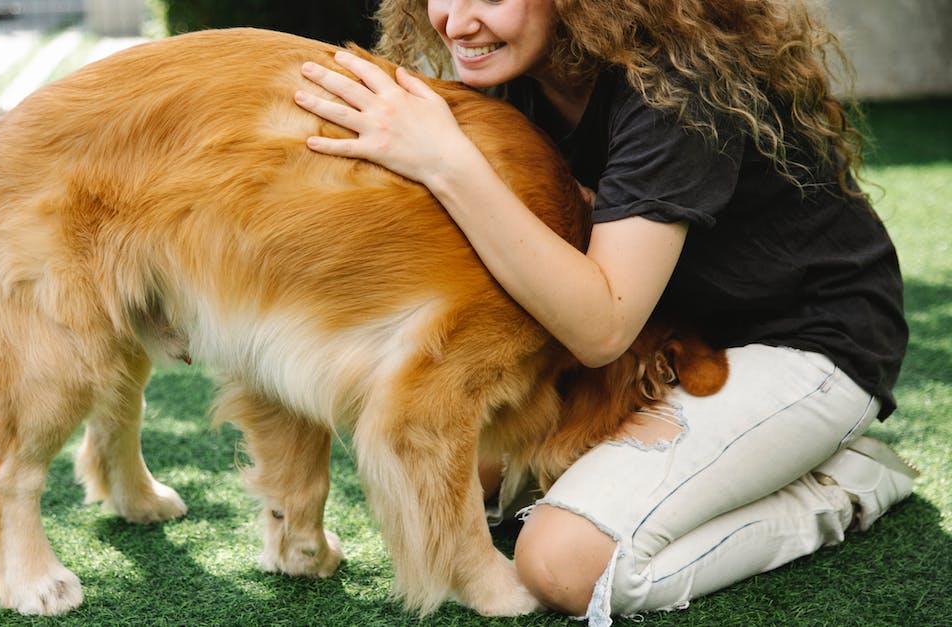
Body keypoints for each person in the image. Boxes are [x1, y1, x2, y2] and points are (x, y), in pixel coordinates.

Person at [292, 0, 918, 624]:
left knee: (564, 566)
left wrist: (445, 158)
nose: (456, 21)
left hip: (801, 344)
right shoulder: (519, 72)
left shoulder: (678, 84)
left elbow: (602, 328)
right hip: (660, 340)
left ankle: (844, 487)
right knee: (449, 460)